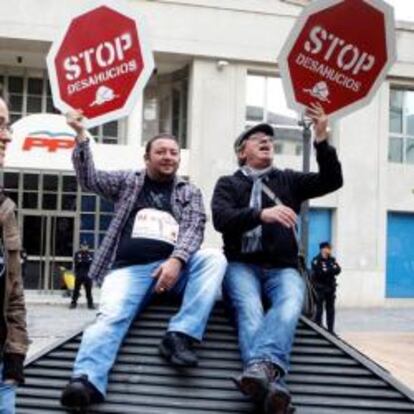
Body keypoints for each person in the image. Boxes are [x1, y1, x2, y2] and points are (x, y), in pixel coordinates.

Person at [60, 111, 227, 410]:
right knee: (109, 319)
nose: (168, 157)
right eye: (160, 152)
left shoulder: (189, 192)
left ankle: (180, 335)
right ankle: (86, 380)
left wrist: (176, 261)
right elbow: (89, 179)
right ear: (146, 157)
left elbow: (194, 228)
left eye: (173, 153)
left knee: (214, 258)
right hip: (129, 272)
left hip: (175, 270)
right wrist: (81, 136)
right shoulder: (128, 181)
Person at [211, 102, 343, 414]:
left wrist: (323, 140)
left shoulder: (288, 180)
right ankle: (275, 389)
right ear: (242, 152)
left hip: (284, 268)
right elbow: (221, 219)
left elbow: (331, 181)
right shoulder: (228, 184)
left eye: (269, 139)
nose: (266, 141)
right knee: (250, 310)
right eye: (258, 138)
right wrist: (262, 214)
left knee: (288, 306)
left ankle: (259, 374)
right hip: (241, 264)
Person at [0, 96, 29, 413]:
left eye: (5, 125)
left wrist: (16, 352)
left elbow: (14, 289)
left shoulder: (5, 207)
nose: (7, 136)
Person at [311, 241, 341, 334]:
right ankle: (318, 327)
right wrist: (331, 270)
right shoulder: (316, 260)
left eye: (330, 248)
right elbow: (320, 273)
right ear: (323, 249)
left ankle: (331, 330)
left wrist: (328, 270)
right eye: (328, 248)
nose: (329, 250)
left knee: (330, 309)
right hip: (320, 288)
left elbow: (338, 270)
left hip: (330, 289)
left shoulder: (332, 259)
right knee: (319, 309)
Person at [70, 242, 95, 310]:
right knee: (76, 290)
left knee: (88, 291)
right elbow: (77, 263)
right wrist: (85, 261)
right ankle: (73, 303)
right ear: (81, 246)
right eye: (83, 246)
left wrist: (82, 261)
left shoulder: (90, 254)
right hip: (79, 274)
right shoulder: (77, 254)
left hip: (88, 275)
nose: (84, 247)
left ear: (88, 246)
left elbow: (91, 263)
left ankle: (90, 304)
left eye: (86, 246)